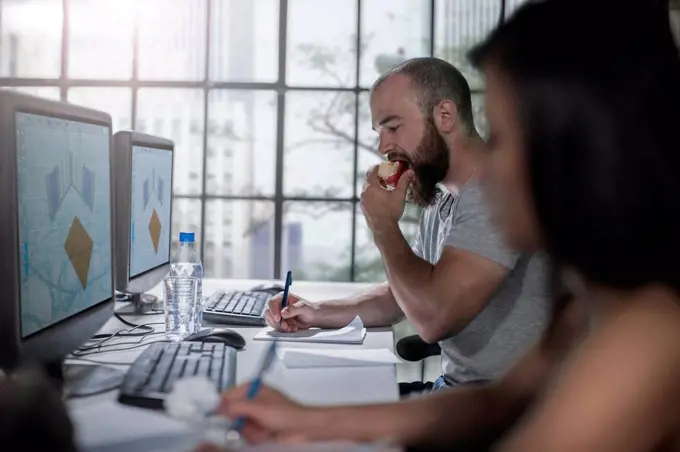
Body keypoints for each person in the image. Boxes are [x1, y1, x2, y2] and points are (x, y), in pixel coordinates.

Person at [201, 0, 680, 450]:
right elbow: (491, 402)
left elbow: (432, 318)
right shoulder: (584, 307)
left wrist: (384, 229)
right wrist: (305, 420)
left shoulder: (647, 338)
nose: (491, 165)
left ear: (573, 150)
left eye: (506, 134)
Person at [268, 57, 549, 393]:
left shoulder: (497, 191)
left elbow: (433, 318)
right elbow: (406, 293)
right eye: (380, 132)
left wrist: (384, 227)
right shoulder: (444, 198)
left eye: (393, 127)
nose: (383, 146)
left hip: (510, 411)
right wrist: (315, 312)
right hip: (458, 393)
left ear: (444, 116)